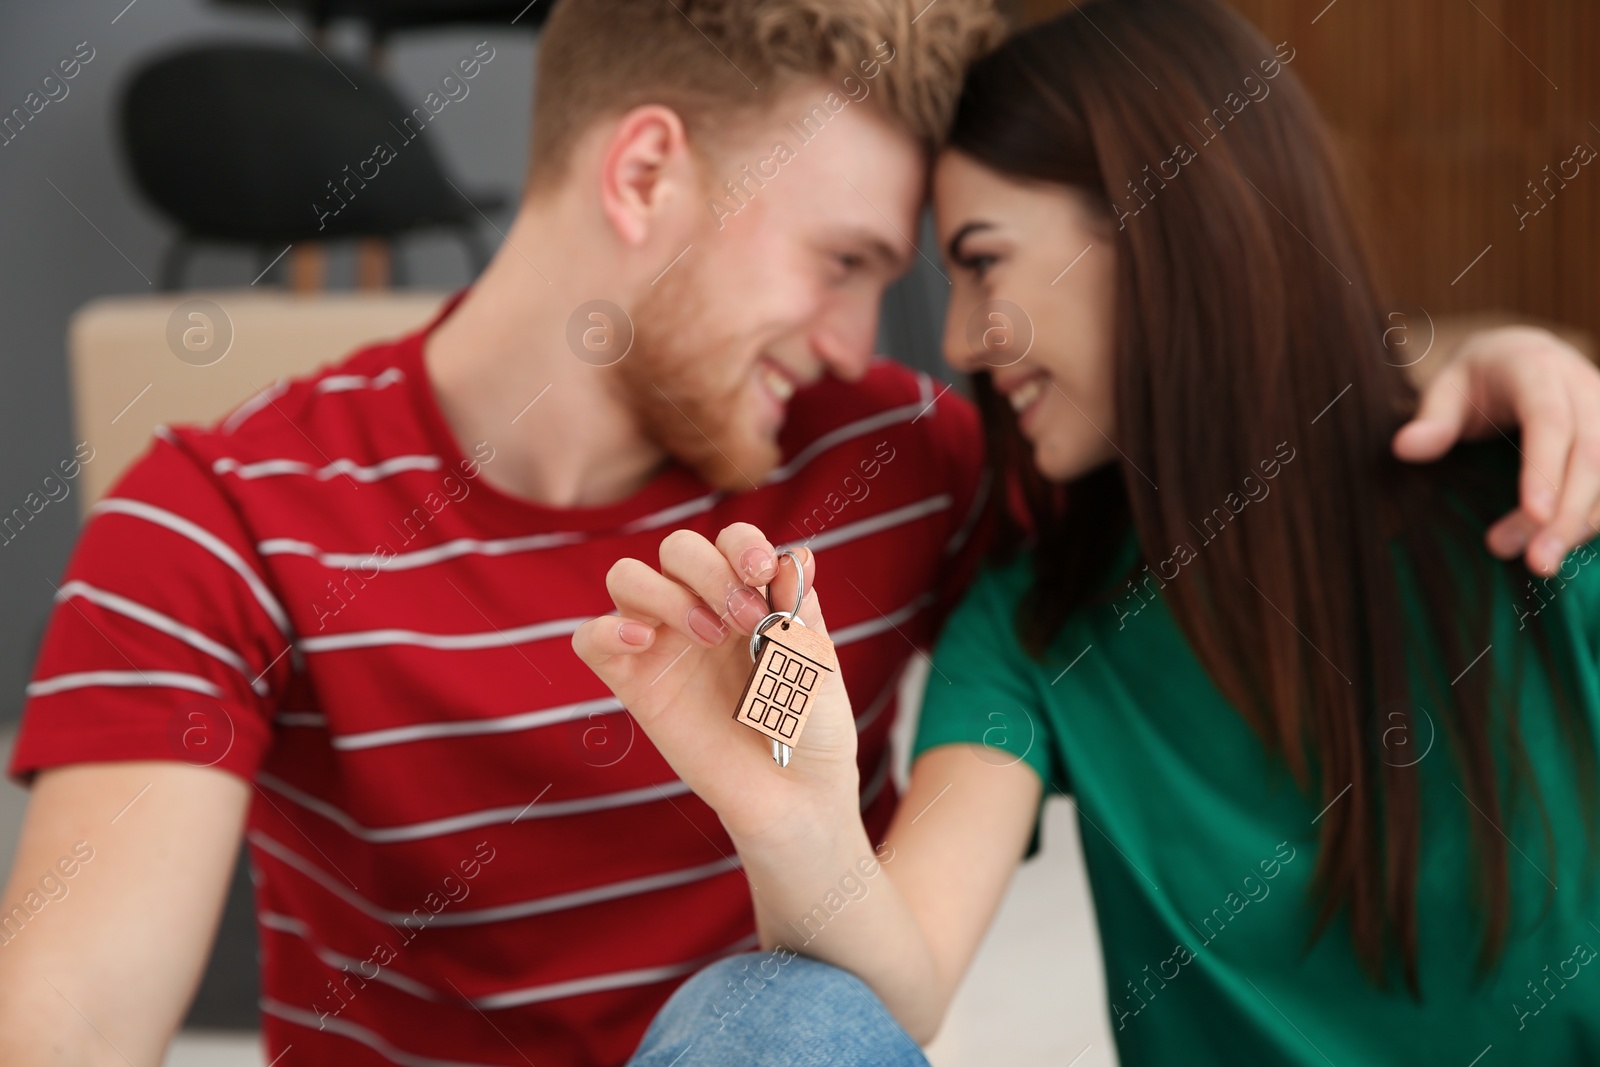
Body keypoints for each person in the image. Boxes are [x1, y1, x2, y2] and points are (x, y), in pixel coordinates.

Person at [0, 1, 1595, 1065]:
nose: (877, 339)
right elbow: (67, 1013)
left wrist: (1497, 361)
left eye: (923, 270)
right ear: (644, 173)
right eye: (846, 260)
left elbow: (1227, 418)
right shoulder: (222, 513)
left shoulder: (909, 464)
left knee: (776, 1012)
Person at [576, 2, 1600, 1066]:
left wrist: (1535, 359)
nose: (961, 337)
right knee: (767, 1011)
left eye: (982, 259)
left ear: (1161, 223)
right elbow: (904, 980)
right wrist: (795, 821)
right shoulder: (1035, 624)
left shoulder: (1545, 507)